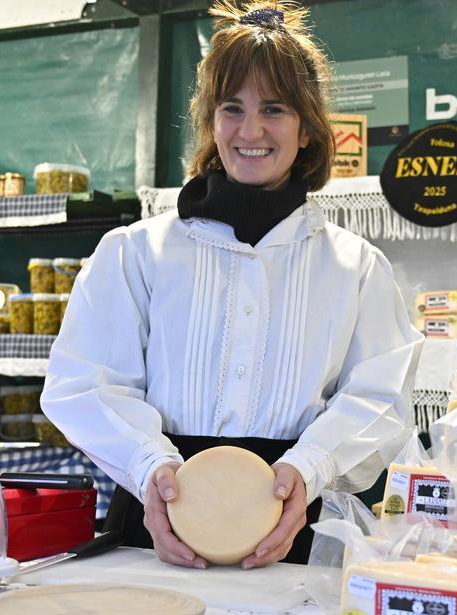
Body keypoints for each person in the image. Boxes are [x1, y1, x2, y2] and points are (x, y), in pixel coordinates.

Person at [41, 0, 422, 568]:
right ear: (211, 121)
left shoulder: (356, 267)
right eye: (232, 108)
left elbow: (381, 396)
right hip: (155, 525)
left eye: (274, 109)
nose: (251, 130)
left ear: (307, 129)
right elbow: (85, 383)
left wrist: (310, 467)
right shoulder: (134, 253)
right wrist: (149, 465)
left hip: (290, 528)